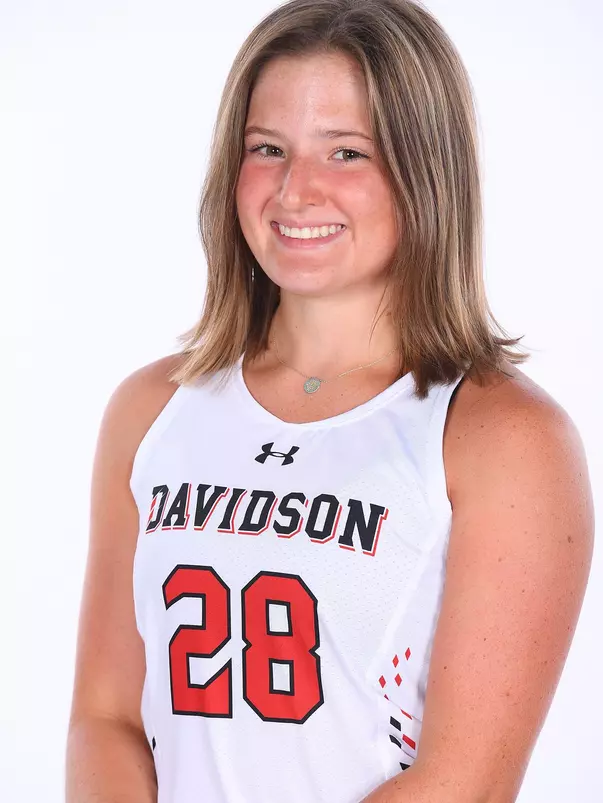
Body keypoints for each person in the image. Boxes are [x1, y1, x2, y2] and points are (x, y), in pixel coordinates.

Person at [65, 1, 594, 801]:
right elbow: (105, 718)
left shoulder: (502, 437)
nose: (294, 189)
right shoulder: (149, 410)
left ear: (424, 171)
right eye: (266, 148)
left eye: (345, 152)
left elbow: (465, 781)